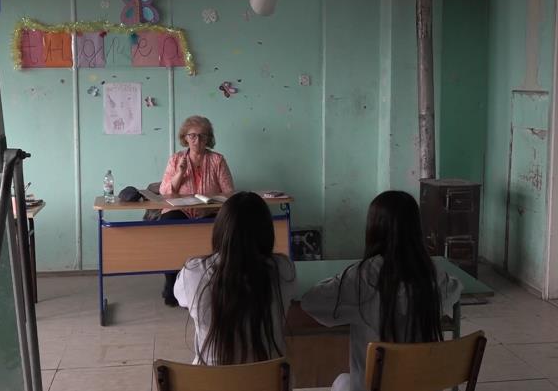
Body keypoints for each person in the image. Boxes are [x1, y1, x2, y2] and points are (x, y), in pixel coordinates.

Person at [301, 190, 462, 391]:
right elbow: (455, 288)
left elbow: (310, 301)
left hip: (373, 386)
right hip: (420, 386)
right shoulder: (431, 275)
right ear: (416, 228)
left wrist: (338, 280)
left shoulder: (361, 276)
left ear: (374, 228)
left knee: (341, 382)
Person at [173, 191, 296, 365]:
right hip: (269, 378)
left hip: (209, 378)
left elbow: (180, 298)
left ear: (220, 230)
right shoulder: (283, 269)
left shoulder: (193, 272)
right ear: (267, 232)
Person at [159, 115, 234, 306]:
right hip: (180, 211)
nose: (197, 140)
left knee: (225, 230)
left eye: (202, 136)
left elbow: (229, 192)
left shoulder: (217, 160)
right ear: (185, 138)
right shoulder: (176, 159)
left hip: (209, 211)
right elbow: (165, 192)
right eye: (192, 136)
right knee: (168, 227)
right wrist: (180, 173)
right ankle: (171, 284)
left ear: (209, 138)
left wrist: (209, 208)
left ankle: (215, 284)